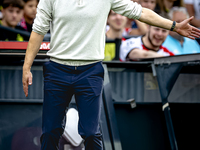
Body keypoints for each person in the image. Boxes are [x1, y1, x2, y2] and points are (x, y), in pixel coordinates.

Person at [22, 0, 200, 150]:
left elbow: (141, 12)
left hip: (90, 71)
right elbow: (38, 30)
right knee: (50, 131)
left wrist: (174, 26)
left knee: (91, 133)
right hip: (57, 70)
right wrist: (26, 66)